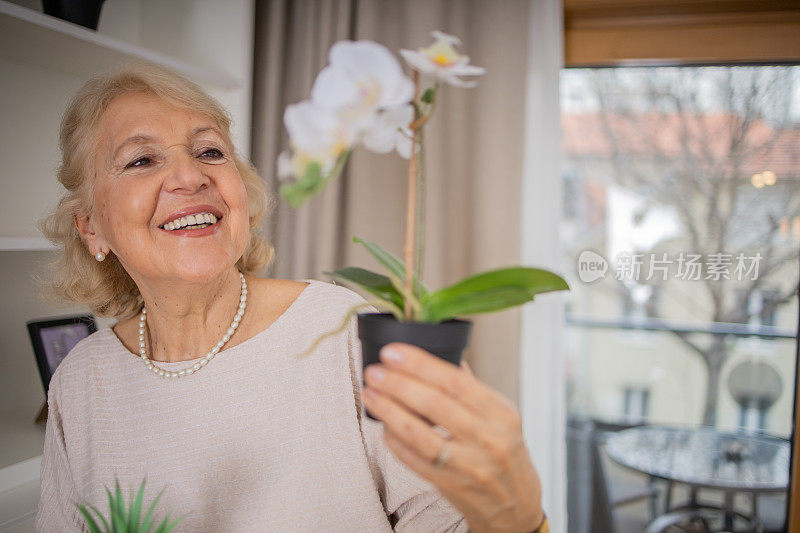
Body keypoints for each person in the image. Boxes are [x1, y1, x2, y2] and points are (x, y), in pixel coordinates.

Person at [34, 63, 546, 533]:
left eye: (210, 151)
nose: (191, 177)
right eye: (141, 160)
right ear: (91, 228)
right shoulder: (80, 383)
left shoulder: (350, 334)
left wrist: (522, 517)